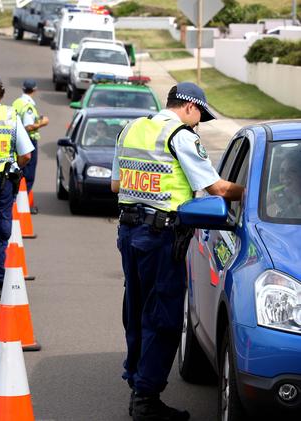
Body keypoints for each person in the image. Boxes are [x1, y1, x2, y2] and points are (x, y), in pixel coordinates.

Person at [111, 82, 244, 421]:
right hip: (160, 236)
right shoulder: (181, 136)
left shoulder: (131, 129)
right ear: (189, 107)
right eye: (200, 116)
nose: (198, 123)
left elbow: (115, 185)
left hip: (129, 231)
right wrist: (257, 191)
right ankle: (146, 399)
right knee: (164, 316)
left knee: (137, 309)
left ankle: (135, 382)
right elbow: (217, 188)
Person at [0, 74, 33, 301]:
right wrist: (13, 166)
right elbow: (26, 154)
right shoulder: (9, 116)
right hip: (0, 183)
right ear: (1, 93)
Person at [12, 79, 49, 214]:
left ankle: (17, 202)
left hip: (16, 140)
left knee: (18, 171)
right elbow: (28, 126)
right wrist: (42, 123)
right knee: (28, 175)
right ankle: (22, 206)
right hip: (27, 141)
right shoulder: (28, 105)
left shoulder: (17, 102)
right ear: (34, 89)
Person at [267, 151, 301, 218]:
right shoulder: (281, 201)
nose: (284, 176)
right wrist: (266, 204)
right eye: (282, 171)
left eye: (292, 171)